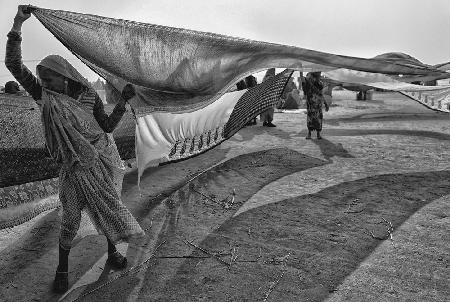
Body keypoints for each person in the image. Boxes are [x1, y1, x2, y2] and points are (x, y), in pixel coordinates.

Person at [6, 6, 144, 293]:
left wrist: (123, 102)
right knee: (70, 218)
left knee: (106, 207)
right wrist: (18, 24)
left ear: (64, 76)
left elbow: (106, 126)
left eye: (49, 77)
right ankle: (62, 267)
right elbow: (14, 65)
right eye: (42, 79)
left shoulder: (89, 95)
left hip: (99, 161)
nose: (44, 83)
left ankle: (113, 252)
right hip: (72, 167)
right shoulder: (45, 96)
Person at [300, 71, 329, 139]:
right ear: (315, 74)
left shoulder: (320, 84)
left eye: (320, 74)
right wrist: (300, 70)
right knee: (310, 118)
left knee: (318, 119)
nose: (320, 75)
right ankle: (309, 133)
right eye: (319, 74)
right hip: (311, 104)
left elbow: (321, 94)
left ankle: (318, 134)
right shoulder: (309, 82)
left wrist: (326, 103)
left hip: (318, 105)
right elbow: (302, 78)